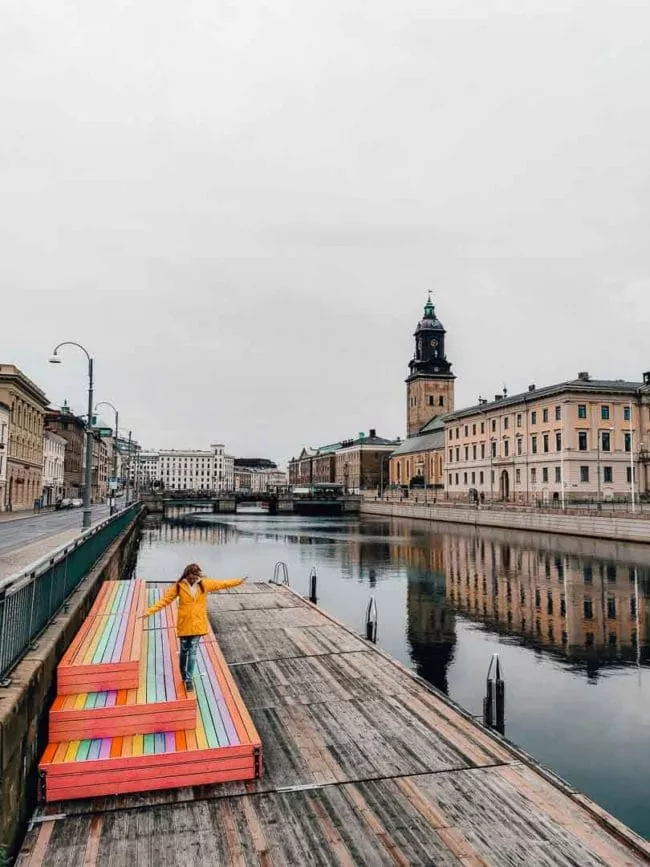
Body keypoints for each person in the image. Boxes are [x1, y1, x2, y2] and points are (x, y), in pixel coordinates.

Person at [140, 563, 245, 691]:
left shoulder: (204, 584)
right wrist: (148, 612)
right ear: (186, 575)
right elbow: (165, 601)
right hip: (185, 624)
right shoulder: (179, 587)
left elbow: (222, 583)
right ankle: (184, 674)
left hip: (198, 624)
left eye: (195, 578)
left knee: (193, 651)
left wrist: (238, 581)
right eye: (191, 577)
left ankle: (189, 679)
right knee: (184, 650)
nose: (193, 580)